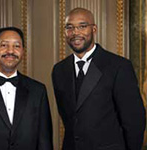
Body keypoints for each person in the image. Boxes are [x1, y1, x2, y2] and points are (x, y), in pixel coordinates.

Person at [52, 7, 146, 150]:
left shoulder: (119, 66)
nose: (75, 32)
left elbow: (134, 121)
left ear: (94, 29)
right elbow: (68, 118)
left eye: (82, 26)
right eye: (69, 27)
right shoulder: (59, 70)